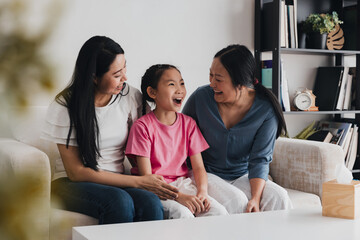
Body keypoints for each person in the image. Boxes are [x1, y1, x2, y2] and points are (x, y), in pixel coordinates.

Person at [41, 36, 179, 224]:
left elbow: (142, 146)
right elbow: (76, 172)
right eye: (116, 74)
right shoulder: (66, 105)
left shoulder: (129, 96)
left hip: (116, 180)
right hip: (71, 183)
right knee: (119, 202)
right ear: (94, 77)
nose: (125, 78)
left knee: (151, 203)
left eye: (124, 69)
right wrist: (138, 182)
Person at [182, 45, 292, 213]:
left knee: (279, 197)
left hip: (241, 175)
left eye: (218, 79)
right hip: (204, 173)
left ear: (241, 84)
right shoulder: (200, 98)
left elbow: (260, 159)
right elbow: (180, 136)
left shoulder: (266, 110)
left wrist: (255, 198)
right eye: (210, 75)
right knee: (237, 200)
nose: (211, 83)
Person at [125, 64, 228, 219]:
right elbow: (147, 178)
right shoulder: (142, 127)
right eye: (171, 84)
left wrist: (202, 192)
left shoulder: (189, 124)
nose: (180, 89)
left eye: (182, 83)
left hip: (182, 183)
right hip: (154, 189)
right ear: (152, 92)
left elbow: (198, 167)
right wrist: (179, 197)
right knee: (183, 214)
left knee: (218, 212)